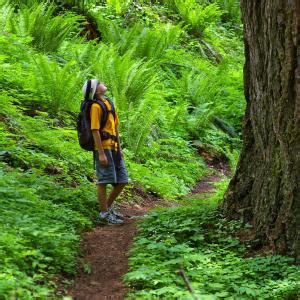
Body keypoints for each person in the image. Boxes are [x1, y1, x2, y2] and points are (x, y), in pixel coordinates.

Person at [84, 79, 128, 225]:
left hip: (114, 148)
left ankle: (106, 209)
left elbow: (116, 128)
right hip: (103, 148)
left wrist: (119, 149)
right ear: (96, 91)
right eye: (99, 83)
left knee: (122, 180)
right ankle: (103, 215)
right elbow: (95, 130)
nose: (102, 82)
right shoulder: (95, 106)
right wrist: (101, 153)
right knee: (103, 181)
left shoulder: (109, 103)